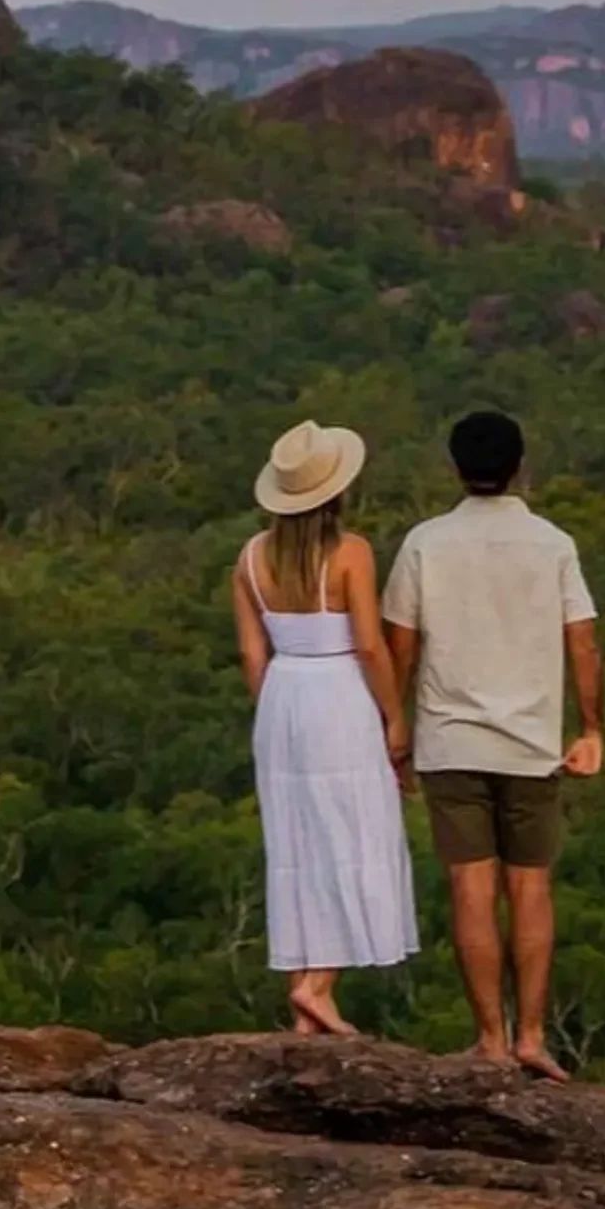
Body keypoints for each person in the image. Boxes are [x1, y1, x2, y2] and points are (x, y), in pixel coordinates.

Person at [384, 409, 604, 1081]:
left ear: (455, 468)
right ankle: (533, 1036)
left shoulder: (425, 543)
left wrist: (395, 728)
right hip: (533, 742)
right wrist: (592, 728)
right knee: (531, 888)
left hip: (451, 742)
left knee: (471, 889)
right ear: (520, 467)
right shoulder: (553, 543)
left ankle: (491, 1039)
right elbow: (583, 642)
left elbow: (400, 643)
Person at [233, 418, 420, 1036]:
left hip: (283, 697)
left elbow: (252, 657)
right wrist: (395, 718)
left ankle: (302, 1000)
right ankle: (318, 985)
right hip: (338, 693)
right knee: (352, 832)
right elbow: (369, 645)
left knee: (295, 843)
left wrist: (277, 710)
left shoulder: (251, 558)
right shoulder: (351, 554)